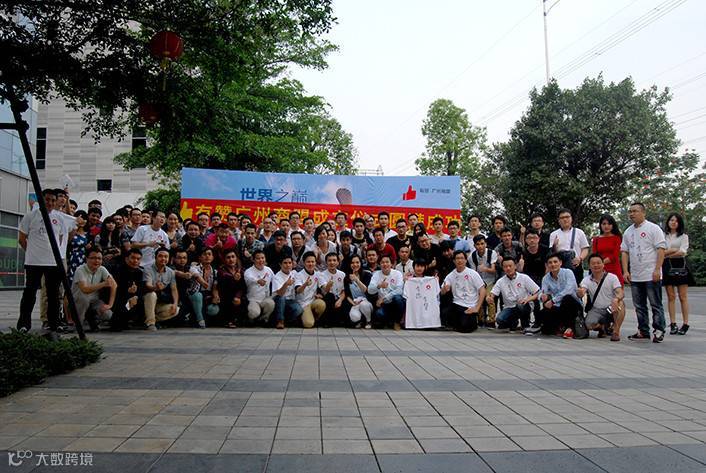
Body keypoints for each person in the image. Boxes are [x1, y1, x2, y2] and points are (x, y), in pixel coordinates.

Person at [17, 189, 70, 337]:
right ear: (41, 200)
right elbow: (22, 238)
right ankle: (23, 324)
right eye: (47, 200)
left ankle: (54, 324)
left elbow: (61, 238)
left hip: (53, 263)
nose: (50, 203)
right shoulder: (30, 216)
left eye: (53, 200)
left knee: (53, 295)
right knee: (30, 293)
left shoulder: (59, 218)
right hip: (33, 262)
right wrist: (32, 252)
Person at [621, 202, 667, 343]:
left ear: (643, 212)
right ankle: (643, 330)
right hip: (636, 275)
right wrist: (625, 271)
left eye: (635, 211)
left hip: (651, 273)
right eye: (630, 211)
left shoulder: (653, 228)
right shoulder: (628, 232)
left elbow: (661, 249)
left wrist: (657, 269)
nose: (632, 214)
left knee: (655, 304)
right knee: (639, 306)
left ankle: (659, 330)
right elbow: (624, 252)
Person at [530, 253, 583, 337]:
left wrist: (553, 300)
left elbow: (569, 290)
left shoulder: (568, 273)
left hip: (572, 305)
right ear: (547, 265)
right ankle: (560, 327)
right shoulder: (546, 278)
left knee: (567, 298)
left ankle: (570, 327)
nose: (553, 264)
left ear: (560, 263)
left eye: (555, 262)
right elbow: (542, 292)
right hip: (558, 306)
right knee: (545, 327)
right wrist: (542, 297)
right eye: (550, 263)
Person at [577, 254, 625, 341]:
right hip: (597, 309)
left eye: (598, 263)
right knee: (588, 324)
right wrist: (580, 292)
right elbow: (582, 291)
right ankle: (602, 327)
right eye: (593, 263)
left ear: (603, 264)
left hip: (611, 307)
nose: (596, 265)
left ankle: (616, 331)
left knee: (620, 304)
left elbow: (620, 292)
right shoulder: (586, 280)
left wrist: (616, 299)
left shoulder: (612, 277)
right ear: (589, 266)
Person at [662, 212, 694, 335]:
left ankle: (685, 324)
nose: (673, 222)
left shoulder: (684, 236)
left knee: (682, 296)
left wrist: (667, 254)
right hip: (667, 267)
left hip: (680, 266)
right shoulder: (663, 235)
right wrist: (672, 250)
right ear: (668, 222)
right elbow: (660, 251)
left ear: (679, 223)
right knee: (671, 296)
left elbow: (682, 252)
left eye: (676, 221)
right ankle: (673, 323)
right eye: (671, 220)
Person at [71, 248, 117, 331]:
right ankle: (78, 325)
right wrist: (103, 284)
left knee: (108, 314)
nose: (97, 261)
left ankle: (92, 318)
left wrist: (110, 304)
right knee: (84, 299)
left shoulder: (102, 269)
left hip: (94, 301)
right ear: (86, 259)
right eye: (93, 258)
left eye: (99, 258)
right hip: (78, 301)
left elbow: (114, 285)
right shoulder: (80, 270)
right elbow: (85, 289)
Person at [441, 251, 485, 333]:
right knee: (445, 314)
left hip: (470, 305)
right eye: (457, 258)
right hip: (457, 304)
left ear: (465, 260)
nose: (460, 260)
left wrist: (477, 308)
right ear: (454, 261)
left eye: (462, 258)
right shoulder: (451, 275)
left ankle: (471, 322)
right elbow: (442, 291)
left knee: (465, 327)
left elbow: (482, 290)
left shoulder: (473, 273)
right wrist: (444, 289)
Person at [490, 258, 539, 332]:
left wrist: (527, 299)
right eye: (505, 267)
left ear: (515, 266)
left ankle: (525, 323)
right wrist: (490, 297)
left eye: (510, 266)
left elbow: (537, 292)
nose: (508, 268)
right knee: (500, 319)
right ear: (503, 268)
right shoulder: (500, 281)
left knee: (520, 306)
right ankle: (513, 322)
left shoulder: (524, 277)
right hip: (509, 307)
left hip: (524, 305)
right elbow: (493, 293)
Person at [143, 247, 179, 331]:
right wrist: (155, 287)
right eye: (160, 256)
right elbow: (148, 285)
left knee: (176, 309)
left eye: (166, 257)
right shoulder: (147, 269)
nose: (163, 259)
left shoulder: (170, 272)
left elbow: (174, 289)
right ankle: (150, 323)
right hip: (147, 300)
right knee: (152, 294)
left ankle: (149, 319)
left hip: (160, 303)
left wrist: (175, 303)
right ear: (155, 257)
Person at [550, 209, 590, 285]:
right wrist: (554, 245)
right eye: (562, 218)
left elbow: (585, 248)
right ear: (558, 220)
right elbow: (551, 253)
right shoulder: (553, 234)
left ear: (571, 218)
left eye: (567, 217)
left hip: (575, 265)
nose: (565, 219)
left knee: (576, 287)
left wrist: (580, 258)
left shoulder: (579, 232)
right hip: (560, 267)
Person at [110, 248, 144, 331]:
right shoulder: (117, 270)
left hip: (133, 300)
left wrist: (135, 296)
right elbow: (111, 290)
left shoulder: (139, 272)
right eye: (133, 258)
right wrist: (127, 291)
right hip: (117, 300)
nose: (135, 261)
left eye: (138, 259)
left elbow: (141, 289)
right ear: (126, 259)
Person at [369, 255, 405, 330]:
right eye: (382, 262)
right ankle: (388, 322)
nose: (385, 264)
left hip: (393, 302)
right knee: (379, 314)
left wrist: (384, 298)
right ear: (379, 264)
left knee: (398, 298)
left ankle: (397, 322)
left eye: (387, 262)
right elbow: (370, 290)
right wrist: (379, 286)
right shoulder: (376, 274)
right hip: (383, 305)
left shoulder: (397, 274)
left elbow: (399, 290)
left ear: (391, 264)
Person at [469, 235, 498, 328]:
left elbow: (493, 270)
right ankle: (481, 320)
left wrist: (485, 269)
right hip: (479, 282)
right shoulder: (472, 256)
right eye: (478, 244)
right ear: (474, 245)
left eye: (482, 243)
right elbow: (473, 273)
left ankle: (492, 321)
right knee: (479, 300)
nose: (480, 246)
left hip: (490, 280)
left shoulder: (492, 253)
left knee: (489, 299)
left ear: (486, 244)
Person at [187, 247, 220, 328]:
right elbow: (197, 276)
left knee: (214, 309)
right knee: (198, 295)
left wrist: (216, 296)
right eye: (204, 254)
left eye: (209, 254)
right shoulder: (194, 268)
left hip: (207, 297)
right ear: (200, 257)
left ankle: (199, 317)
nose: (207, 256)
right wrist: (204, 283)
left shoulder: (215, 271)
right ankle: (200, 320)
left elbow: (215, 287)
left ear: (212, 257)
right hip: (194, 295)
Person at [403, 259, 441, 329]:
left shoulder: (431, 280)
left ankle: (429, 323)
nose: (419, 268)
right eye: (417, 266)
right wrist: (405, 281)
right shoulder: (409, 280)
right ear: (413, 267)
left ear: (425, 267)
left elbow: (437, 294)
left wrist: (435, 281)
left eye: (421, 266)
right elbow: (405, 295)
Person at [295, 252, 326, 328]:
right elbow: (298, 290)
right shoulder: (299, 275)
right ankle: (307, 317)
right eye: (308, 262)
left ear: (315, 263)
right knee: (308, 324)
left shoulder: (318, 274)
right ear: (304, 263)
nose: (311, 264)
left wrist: (324, 291)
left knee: (321, 304)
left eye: (312, 262)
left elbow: (324, 287)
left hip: (313, 301)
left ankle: (316, 318)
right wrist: (305, 284)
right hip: (303, 303)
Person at [244, 250, 275, 325]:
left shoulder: (268, 270)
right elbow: (249, 279)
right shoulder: (248, 271)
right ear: (253, 259)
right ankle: (250, 319)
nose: (261, 260)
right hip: (253, 299)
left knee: (271, 304)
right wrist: (257, 281)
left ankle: (263, 319)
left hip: (265, 298)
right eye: (258, 258)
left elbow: (275, 280)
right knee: (254, 313)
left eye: (262, 258)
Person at [272, 256, 303, 329]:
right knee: (281, 298)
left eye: (290, 263)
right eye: (285, 263)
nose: (288, 265)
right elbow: (279, 293)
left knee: (299, 309)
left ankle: (287, 321)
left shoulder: (294, 273)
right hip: (279, 300)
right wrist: (286, 284)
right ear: (280, 264)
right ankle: (280, 321)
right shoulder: (277, 276)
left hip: (291, 300)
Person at [591, 214, 624, 285]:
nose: (606, 226)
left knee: (617, 290)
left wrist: (601, 263)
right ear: (600, 225)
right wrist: (599, 264)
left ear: (613, 225)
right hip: (600, 270)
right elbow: (594, 256)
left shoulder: (617, 238)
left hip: (614, 269)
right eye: (604, 224)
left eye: (609, 224)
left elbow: (615, 255)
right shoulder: (596, 239)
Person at [318, 253, 347, 327]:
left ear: (338, 262)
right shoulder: (322, 274)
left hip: (339, 298)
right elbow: (325, 290)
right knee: (330, 296)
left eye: (334, 260)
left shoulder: (342, 274)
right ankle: (327, 322)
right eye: (329, 260)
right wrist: (329, 284)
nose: (332, 262)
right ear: (326, 262)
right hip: (328, 298)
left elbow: (344, 291)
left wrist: (340, 300)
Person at [344, 254, 373, 328]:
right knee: (354, 317)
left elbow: (366, 290)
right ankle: (361, 321)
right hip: (355, 302)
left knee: (364, 305)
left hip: (366, 301)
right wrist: (353, 303)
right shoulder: (346, 277)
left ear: (361, 263)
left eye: (357, 262)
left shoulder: (367, 274)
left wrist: (357, 280)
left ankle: (368, 321)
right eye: (352, 263)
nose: (355, 265)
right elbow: (347, 294)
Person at [67, 210, 90, 285]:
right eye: (80, 218)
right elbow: (68, 241)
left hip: (84, 258)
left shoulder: (88, 234)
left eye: (84, 218)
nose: (82, 220)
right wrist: (75, 225)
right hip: (72, 258)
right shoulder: (71, 231)